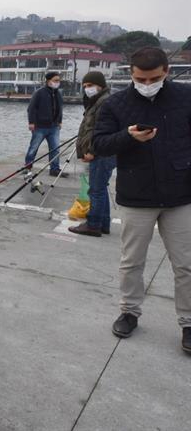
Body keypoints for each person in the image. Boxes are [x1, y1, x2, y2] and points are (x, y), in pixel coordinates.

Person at [93, 46, 191, 354]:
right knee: (131, 262)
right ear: (130, 74)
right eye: (139, 78)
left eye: (153, 78)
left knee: (186, 264)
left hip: (180, 194)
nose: (146, 83)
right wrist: (129, 137)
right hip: (136, 196)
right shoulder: (115, 104)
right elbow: (99, 144)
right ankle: (129, 312)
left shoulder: (185, 97)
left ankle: (188, 322)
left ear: (166, 72)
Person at [69, 71, 116, 237]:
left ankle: (93, 224)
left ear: (100, 85)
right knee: (101, 188)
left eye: (89, 86)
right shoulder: (97, 101)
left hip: (101, 152)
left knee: (96, 190)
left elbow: (102, 130)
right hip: (104, 152)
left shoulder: (104, 103)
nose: (87, 89)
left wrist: (91, 151)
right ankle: (103, 223)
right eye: (84, 87)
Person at [25, 71, 67, 177]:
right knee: (33, 148)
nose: (58, 82)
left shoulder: (58, 93)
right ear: (48, 81)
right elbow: (31, 109)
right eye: (55, 80)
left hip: (54, 127)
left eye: (58, 80)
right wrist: (31, 122)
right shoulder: (39, 93)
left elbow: (60, 108)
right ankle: (27, 167)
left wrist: (60, 121)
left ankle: (54, 169)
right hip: (40, 127)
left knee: (55, 149)